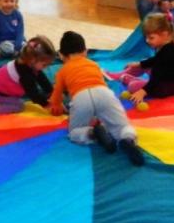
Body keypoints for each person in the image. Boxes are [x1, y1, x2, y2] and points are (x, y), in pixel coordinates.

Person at [50, 31, 145, 166]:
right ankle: (128, 139)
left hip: (80, 98)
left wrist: (56, 106)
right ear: (85, 51)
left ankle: (92, 133)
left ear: (61, 55)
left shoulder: (62, 71)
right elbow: (101, 85)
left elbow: (56, 94)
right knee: (122, 125)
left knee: (74, 132)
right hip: (104, 93)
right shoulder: (94, 65)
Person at [112, 12, 174, 106]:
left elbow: (158, 78)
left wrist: (143, 91)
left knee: (133, 86)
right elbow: (156, 60)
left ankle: (129, 79)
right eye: (146, 37)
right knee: (142, 64)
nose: (147, 40)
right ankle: (121, 75)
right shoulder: (165, 46)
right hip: (163, 79)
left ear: (165, 34)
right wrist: (139, 64)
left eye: (151, 38)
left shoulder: (169, 53)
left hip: (165, 87)